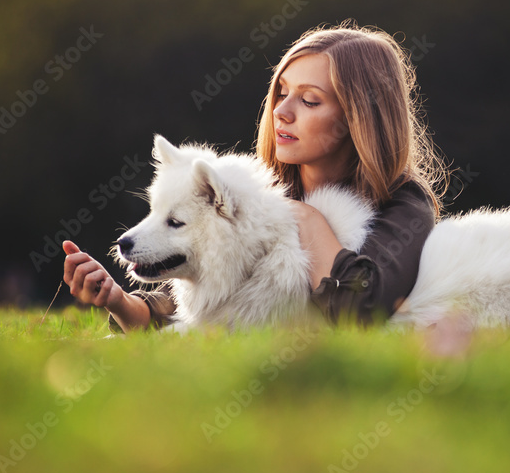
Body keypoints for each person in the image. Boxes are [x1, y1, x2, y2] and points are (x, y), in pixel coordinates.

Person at [62, 21, 446, 331]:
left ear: (358, 118)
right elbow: (196, 300)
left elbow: (362, 307)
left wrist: (308, 220)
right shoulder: (261, 195)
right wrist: (116, 299)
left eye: (309, 100)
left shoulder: (404, 205)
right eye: (281, 93)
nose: (282, 111)